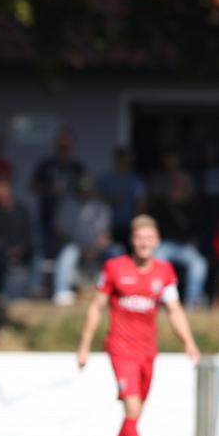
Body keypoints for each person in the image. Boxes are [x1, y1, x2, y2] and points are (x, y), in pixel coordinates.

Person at [77, 215, 200, 436]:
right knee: (132, 407)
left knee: (135, 413)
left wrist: (189, 342)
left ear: (157, 241)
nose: (144, 243)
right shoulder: (114, 268)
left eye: (149, 238)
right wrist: (84, 345)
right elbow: (96, 307)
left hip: (148, 351)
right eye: (139, 238)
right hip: (120, 348)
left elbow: (174, 310)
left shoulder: (164, 271)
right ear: (132, 240)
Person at [149, 153, 208, 307]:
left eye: (183, 185)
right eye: (177, 185)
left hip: (185, 246)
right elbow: (154, 225)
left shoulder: (193, 206)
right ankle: (155, 299)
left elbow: (197, 227)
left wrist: (193, 240)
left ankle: (192, 301)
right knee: (156, 260)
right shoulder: (162, 205)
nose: (180, 187)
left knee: (199, 264)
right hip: (165, 244)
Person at [52, 177, 113, 306]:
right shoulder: (68, 205)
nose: (85, 192)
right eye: (82, 190)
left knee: (116, 251)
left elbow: (105, 235)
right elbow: (60, 232)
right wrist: (82, 248)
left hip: (96, 248)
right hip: (75, 246)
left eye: (87, 189)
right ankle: (62, 292)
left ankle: (117, 292)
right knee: (69, 252)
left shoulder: (100, 206)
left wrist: (94, 249)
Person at [32, 128, 86, 258]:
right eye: (61, 145)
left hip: (71, 221)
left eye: (66, 146)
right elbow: (33, 186)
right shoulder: (46, 165)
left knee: (69, 255)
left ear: (71, 146)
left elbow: (86, 189)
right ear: (56, 145)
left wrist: (75, 191)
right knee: (48, 256)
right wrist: (50, 189)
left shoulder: (77, 167)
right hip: (48, 218)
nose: (64, 148)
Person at [96, 146, 146, 248]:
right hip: (107, 227)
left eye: (128, 161)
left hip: (129, 227)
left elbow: (141, 205)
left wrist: (139, 226)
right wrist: (110, 200)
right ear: (116, 160)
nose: (125, 164)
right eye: (122, 160)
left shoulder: (136, 181)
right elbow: (95, 201)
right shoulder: (104, 179)